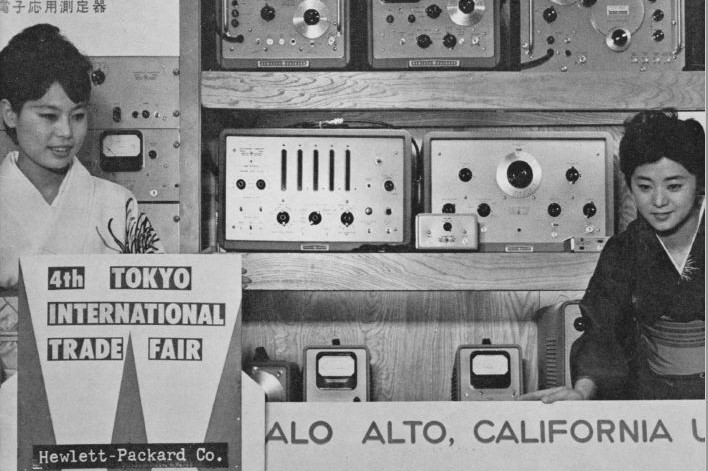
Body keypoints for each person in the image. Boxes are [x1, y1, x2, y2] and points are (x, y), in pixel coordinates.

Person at [522, 110, 705, 402]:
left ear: (700, 184)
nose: (658, 201)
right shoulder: (624, 250)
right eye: (644, 187)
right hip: (654, 398)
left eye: (674, 186)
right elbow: (603, 330)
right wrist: (582, 391)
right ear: (629, 185)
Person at [0, 24, 163, 290]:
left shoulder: (118, 204)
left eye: (78, 116)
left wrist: (208, 273)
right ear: (10, 113)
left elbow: (159, 292)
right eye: (49, 116)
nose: (66, 132)